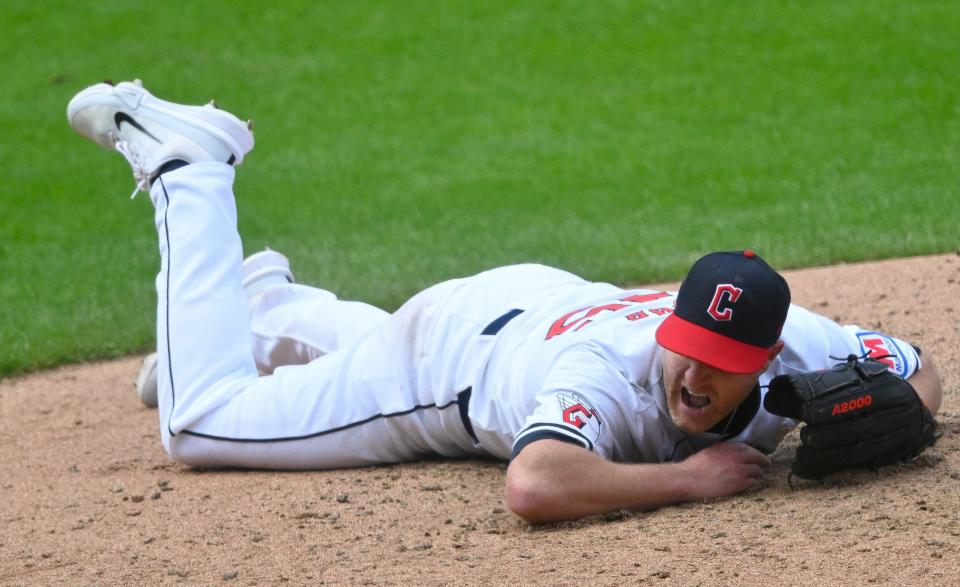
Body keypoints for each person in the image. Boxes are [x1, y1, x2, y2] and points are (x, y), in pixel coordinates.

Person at [67, 80, 943, 524]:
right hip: (442, 359)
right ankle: (190, 169)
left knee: (338, 355)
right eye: (686, 347)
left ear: (767, 354)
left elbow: (916, 367)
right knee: (201, 422)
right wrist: (686, 478)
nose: (692, 375)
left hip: (524, 304)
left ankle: (269, 305)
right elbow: (533, 485)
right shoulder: (606, 374)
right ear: (671, 318)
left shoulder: (804, 341)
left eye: (720, 367)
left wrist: (903, 414)